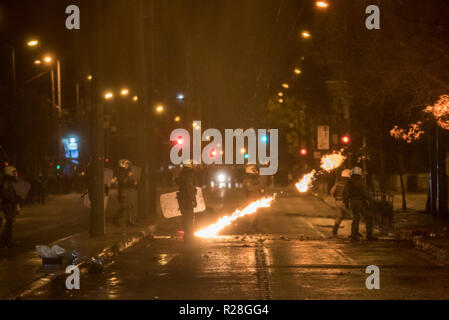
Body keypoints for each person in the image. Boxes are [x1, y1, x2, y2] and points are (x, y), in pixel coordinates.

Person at [343, 166, 374, 242]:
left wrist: (346, 203)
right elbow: (365, 192)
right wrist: (370, 199)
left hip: (352, 202)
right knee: (368, 217)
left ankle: (354, 237)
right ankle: (369, 236)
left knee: (355, 219)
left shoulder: (349, 182)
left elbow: (345, 194)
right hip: (360, 201)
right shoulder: (361, 181)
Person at [176, 161, 197, 243]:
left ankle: (187, 237)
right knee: (189, 218)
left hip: (182, 200)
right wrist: (194, 200)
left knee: (185, 218)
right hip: (187, 200)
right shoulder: (188, 176)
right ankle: (189, 237)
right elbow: (190, 189)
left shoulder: (183, 175)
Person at [113, 159, 137, 227]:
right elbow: (123, 181)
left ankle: (129, 221)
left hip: (127, 190)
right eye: (126, 164)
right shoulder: (121, 172)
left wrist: (134, 182)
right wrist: (128, 176)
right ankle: (116, 219)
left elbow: (128, 181)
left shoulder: (126, 171)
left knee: (129, 206)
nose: (127, 166)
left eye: (128, 164)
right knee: (124, 206)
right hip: (123, 190)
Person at [0, 166, 20, 248]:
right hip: (6, 204)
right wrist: (13, 199)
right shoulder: (6, 183)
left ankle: (8, 240)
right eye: (14, 172)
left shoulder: (9, 183)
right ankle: (6, 241)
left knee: (10, 222)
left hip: (9, 204)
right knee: (8, 222)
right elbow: (5, 194)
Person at [330, 169, 351, 238]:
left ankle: (334, 231)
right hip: (345, 202)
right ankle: (355, 232)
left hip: (337, 202)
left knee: (340, 216)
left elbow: (332, 192)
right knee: (354, 216)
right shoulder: (349, 184)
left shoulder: (337, 183)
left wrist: (336, 197)